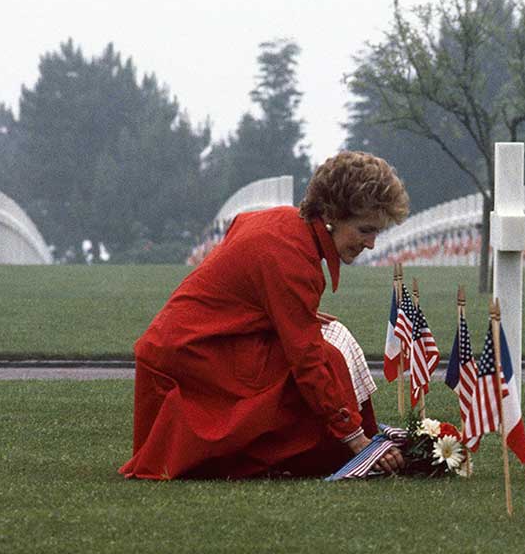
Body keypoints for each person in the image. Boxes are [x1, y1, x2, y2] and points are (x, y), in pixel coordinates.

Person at [119, 151, 410, 481]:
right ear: (332, 215)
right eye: (365, 230)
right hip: (191, 358)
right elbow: (307, 361)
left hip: (189, 346)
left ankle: (346, 443)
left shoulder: (284, 224)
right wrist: (353, 437)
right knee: (325, 359)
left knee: (331, 342)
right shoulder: (292, 258)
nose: (371, 244)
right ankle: (335, 450)